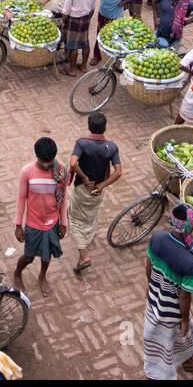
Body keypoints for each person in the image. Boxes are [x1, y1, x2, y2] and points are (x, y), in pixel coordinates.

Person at [142, 203, 193, 379]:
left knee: (169, 336)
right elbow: (184, 295)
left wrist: (152, 287)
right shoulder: (188, 262)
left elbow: (149, 265)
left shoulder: (157, 238)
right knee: (172, 339)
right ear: (191, 225)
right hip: (172, 311)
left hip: (154, 300)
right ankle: (159, 373)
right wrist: (184, 318)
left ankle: (188, 359)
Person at [14, 137, 71, 298]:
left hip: (53, 222)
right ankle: (17, 273)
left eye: (49, 161)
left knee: (47, 255)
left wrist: (63, 223)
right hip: (33, 223)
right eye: (42, 162)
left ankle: (42, 276)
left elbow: (64, 198)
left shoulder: (61, 172)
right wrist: (18, 224)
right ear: (36, 156)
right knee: (29, 256)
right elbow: (21, 198)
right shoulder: (27, 171)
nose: (46, 165)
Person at [66, 112, 122, 276]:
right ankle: (88, 237)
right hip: (97, 191)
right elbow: (118, 172)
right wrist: (102, 185)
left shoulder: (82, 143)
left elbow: (73, 163)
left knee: (75, 220)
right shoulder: (111, 147)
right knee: (91, 215)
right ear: (105, 128)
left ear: (89, 127)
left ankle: (83, 255)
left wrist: (83, 177)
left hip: (83, 188)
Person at [92, 0, 140, 66]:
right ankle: (97, 56)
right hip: (102, 12)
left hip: (114, 17)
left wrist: (124, 2)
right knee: (99, 34)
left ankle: (112, 60)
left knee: (113, 38)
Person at [61, 0, 97, 76]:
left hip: (73, 20)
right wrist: (88, 18)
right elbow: (92, 8)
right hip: (85, 18)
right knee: (85, 43)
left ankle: (72, 69)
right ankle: (84, 65)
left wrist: (63, 22)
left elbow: (66, 11)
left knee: (73, 45)